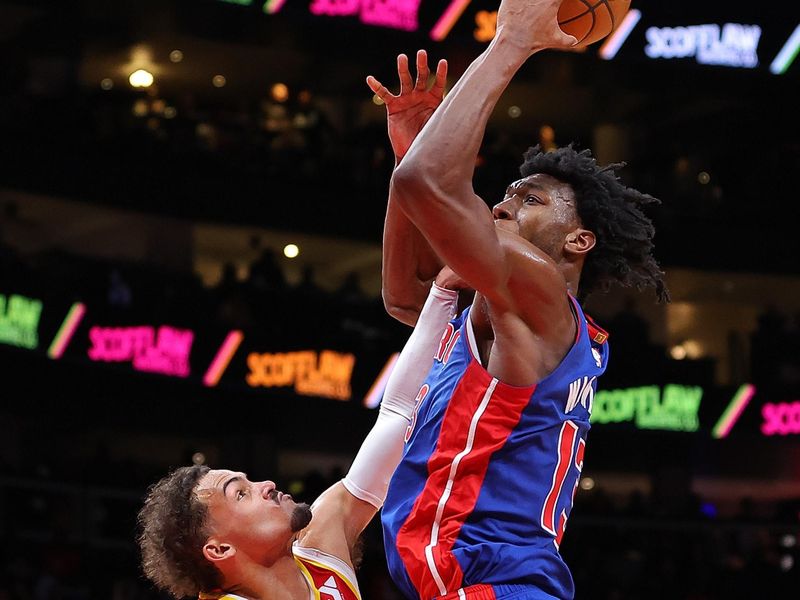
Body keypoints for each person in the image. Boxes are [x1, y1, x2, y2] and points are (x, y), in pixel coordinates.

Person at [367, 0, 669, 598]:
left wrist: (512, 41)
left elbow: (425, 183)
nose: (502, 205)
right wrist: (415, 148)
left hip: (499, 580)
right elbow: (406, 299)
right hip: (475, 577)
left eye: (528, 200)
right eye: (505, 193)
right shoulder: (502, 305)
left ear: (579, 241)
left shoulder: (537, 291)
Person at [136, 271, 465, 599]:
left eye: (248, 482)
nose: (265, 485)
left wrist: (443, 293)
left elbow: (398, 412)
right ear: (220, 549)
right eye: (240, 494)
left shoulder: (321, 548)